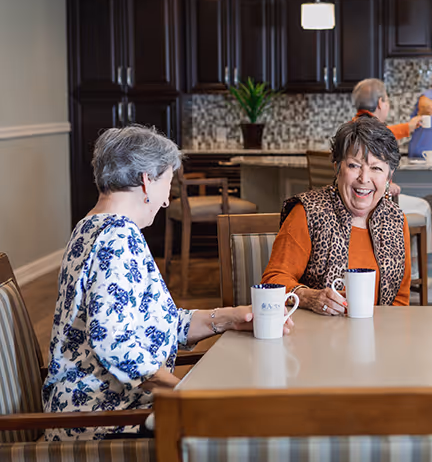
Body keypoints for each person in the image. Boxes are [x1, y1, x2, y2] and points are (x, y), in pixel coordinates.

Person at [42, 125, 293, 441]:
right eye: (168, 184)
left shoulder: (89, 225)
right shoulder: (118, 238)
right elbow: (116, 345)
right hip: (102, 420)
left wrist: (230, 318)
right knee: (242, 428)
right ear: (147, 180)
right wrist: (189, 390)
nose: (165, 202)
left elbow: (155, 324)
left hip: (98, 406)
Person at [262, 116, 412, 315]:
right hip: (315, 337)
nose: (364, 178)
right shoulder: (308, 212)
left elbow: (400, 301)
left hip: (378, 338)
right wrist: (308, 297)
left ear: (389, 176)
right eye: (354, 165)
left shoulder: (396, 222)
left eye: (376, 168)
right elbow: (273, 281)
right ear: (337, 167)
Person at [351, 78, 432, 256]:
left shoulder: (351, 128)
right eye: (387, 100)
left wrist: (409, 127)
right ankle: (419, 270)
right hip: (372, 204)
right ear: (381, 103)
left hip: (351, 202)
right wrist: (387, 185)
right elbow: (380, 137)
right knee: (424, 207)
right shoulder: (372, 132)